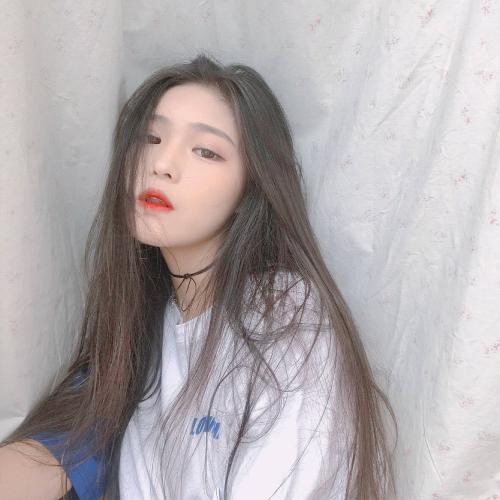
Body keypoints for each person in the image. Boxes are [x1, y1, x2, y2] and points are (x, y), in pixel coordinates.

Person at [0, 54, 397, 499]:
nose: (162, 164)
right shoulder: (143, 330)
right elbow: (51, 450)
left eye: (206, 151)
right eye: (150, 137)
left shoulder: (286, 320)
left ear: (251, 189)